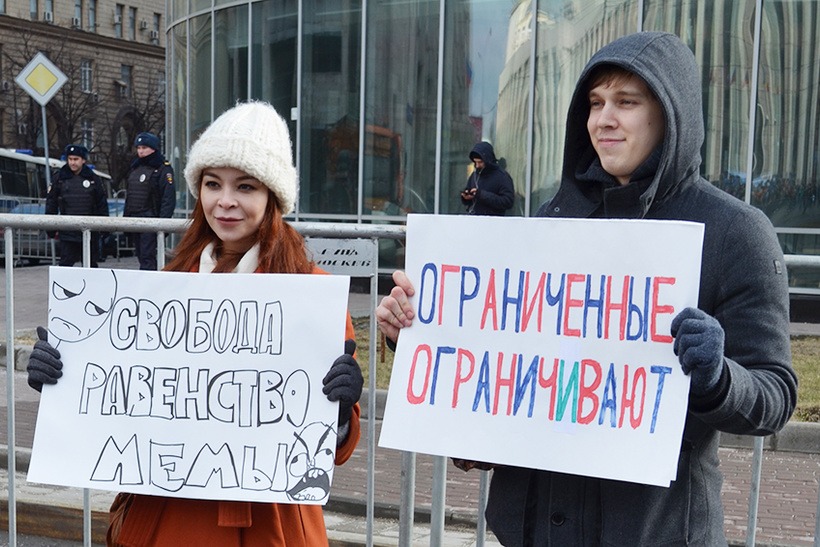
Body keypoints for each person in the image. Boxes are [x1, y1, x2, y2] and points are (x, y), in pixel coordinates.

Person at [376, 31, 797, 546]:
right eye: (595, 103)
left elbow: (774, 395)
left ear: (671, 112)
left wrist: (716, 377)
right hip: (532, 530)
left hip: (652, 533)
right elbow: (511, 379)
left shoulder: (735, 232)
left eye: (627, 102)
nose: (604, 119)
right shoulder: (554, 218)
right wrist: (419, 335)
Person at [27, 101, 365, 546]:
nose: (224, 202)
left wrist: (339, 410)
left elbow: (334, 451)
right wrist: (63, 377)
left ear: (273, 197)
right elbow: (125, 402)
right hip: (166, 518)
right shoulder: (161, 292)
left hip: (268, 526)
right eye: (212, 184)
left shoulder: (312, 295)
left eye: (245, 186)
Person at [45, 144, 109, 267]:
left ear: (83, 160)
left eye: (76, 159)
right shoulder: (59, 178)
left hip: (89, 232)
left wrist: (104, 228)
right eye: (70, 159)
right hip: (67, 232)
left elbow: (101, 203)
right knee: (65, 265)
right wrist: (50, 227)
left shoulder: (93, 179)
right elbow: (51, 203)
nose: (72, 163)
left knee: (90, 266)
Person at [124, 131, 176, 270]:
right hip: (135, 218)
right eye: (139, 148)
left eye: (144, 148)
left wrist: (163, 223)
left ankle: (148, 286)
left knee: (148, 257)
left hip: (151, 219)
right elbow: (130, 196)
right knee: (141, 255)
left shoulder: (162, 168)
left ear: (153, 148)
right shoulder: (135, 167)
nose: (141, 151)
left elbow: (168, 198)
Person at [460, 141, 515, 215]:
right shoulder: (474, 175)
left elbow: (508, 202)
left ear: (488, 160)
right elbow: (470, 194)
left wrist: (481, 195)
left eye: (480, 162)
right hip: (474, 219)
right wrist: (466, 197)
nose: (477, 165)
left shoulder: (502, 177)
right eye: (475, 162)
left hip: (493, 222)